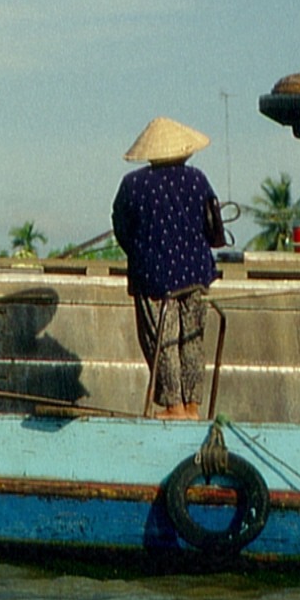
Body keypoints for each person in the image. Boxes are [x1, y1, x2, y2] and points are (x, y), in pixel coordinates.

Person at [110, 117, 221, 421]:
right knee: (192, 340)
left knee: (162, 339)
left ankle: (173, 405)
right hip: (196, 272)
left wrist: (140, 252)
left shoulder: (133, 184)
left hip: (153, 275)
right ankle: (193, 406)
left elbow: (121, 225)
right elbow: (213, 222)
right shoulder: (198, 179)